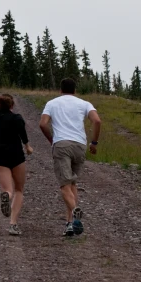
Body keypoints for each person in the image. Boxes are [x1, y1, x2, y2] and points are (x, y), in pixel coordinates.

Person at [39, 78, 102, 237]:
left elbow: (43, 124)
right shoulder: (84, 104)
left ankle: (75, 212)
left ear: (61, 90)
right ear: (75, 90)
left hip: (62, 145)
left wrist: (51, 140)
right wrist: (94, 143)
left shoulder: (52, 103)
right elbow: (97, 120)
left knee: (64, 186)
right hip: (80, 145)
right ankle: (70, 224)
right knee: (72, 183)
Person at [0, 94, 34, 236]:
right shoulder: (17, 119)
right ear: (12, 105)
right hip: (16, 156)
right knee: (19, 190)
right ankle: (13, 224)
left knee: (7, 189)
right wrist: (28, 146)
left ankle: (6, 196)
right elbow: (23, 134)